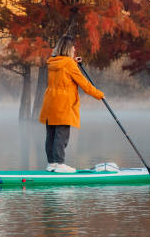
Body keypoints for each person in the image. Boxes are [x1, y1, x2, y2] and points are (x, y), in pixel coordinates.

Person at [39, 35, 104, 173]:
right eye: (73, 46)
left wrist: (74, 62)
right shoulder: (69, 64)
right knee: (61, 135)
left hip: (50, 102)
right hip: (63, 104)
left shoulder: (52, 62)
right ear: (69, 48)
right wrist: (99, 94)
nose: (75, 48)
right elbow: (85, 84)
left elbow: (64, 69)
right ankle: (60, 164)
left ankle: (52, 164)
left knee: (51, 134)